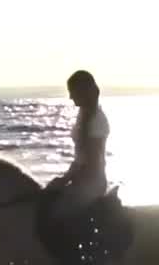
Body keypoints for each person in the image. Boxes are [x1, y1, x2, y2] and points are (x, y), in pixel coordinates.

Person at [44, 69, 111, 222]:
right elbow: (80, 158)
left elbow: (91, 161)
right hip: (82, 179)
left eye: (72, 91)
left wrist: (66, 179)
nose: (70, 96)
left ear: (83, 91)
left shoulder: (97, 120)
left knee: (56, 215)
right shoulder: (84, 115)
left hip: (92, 183)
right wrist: (65, 178)